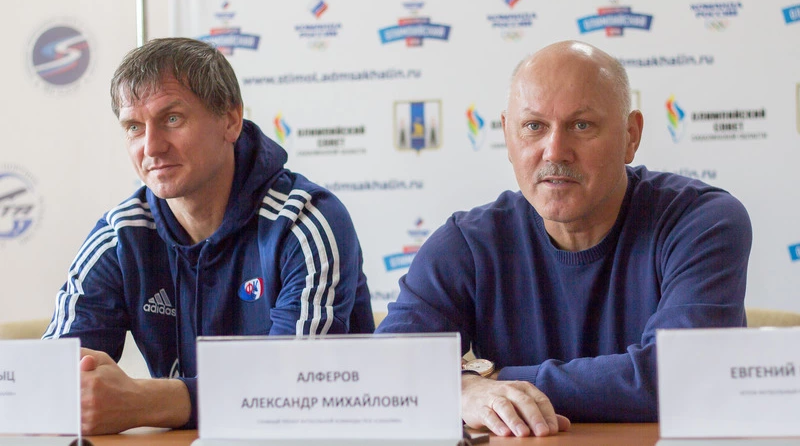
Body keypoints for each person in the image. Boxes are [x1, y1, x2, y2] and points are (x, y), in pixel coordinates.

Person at [375, 40, 751, 437]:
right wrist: (460, 393)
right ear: (507, 135)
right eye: (534, 126)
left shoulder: (701, 221)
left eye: (581, 125)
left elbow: (685, 376)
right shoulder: (466, 244)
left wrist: (493, 380)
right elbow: (383, 371)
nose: (555, 151)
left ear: (631, 136)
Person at [42, 37, 374, 435]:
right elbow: (50, 378)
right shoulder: (120, 235)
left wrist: (146, 401)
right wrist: (78, 390)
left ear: (231, 120)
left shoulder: (304, 222)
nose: (151, 147)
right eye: (134, 127)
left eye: (172, 119)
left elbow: (296, 387)